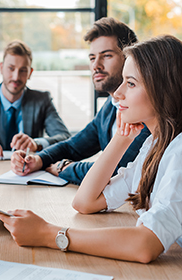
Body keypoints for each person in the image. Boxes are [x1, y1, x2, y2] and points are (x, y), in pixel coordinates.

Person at [0, 35, 182, 263]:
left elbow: (145, 245)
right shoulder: (154, 145)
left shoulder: (179, 150)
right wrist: (121, 139)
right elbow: (85, 202)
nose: (117, 93)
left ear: (163, 91)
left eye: (131, 83)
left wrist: (48, 234)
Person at [11, 17, 150, 185]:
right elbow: (73, 146)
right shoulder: (110, 106)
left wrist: (64, 168)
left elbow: (117, 171)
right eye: (92, 58)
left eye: (106, 56)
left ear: (129, 58)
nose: (96, 65)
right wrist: (38, 160)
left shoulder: (143, 108)